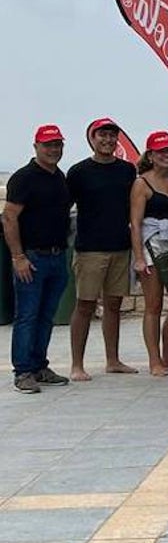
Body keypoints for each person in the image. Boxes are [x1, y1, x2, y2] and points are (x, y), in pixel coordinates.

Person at [66, 117, 138, 381]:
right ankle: (77, 364)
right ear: (92, 139)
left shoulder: (127, 170)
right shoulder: (78, 172)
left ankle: (113, 360)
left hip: (120, 247)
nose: (107, 140)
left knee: (114, 305)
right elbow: (63, 206)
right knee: (84, 306)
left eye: (111, 136)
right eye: (102, 136)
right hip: (89, 250)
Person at [3, 124, 72, 393]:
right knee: (27, 316)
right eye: (48, 145)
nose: (54, 150)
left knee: (46, 316)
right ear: (36, 147)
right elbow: (9, 217)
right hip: (32, 258)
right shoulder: (24, 178)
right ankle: (23, 371)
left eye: (57, 145)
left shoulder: (59, 177)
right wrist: (18, 257)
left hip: (57, 256)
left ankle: (39, 365)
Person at [130, 131, 168, 377]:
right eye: (160, 151)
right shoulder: (141, 183)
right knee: (153, 305)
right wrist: (140, 258)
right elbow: (135, 222)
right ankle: (154, 359)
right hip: (151, 244)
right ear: (151, 155)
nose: (166, 155)